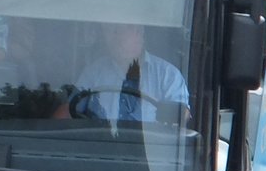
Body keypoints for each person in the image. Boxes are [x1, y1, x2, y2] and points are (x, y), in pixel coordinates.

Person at [55, 22, 188, 122]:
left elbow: (181, 117)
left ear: (139, 33)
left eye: (117, 31)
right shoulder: (94, 72)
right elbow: (68, 110)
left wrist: (176, 114)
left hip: (150, 148)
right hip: (103, 146)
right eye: (108, 32)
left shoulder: (168, 76)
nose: (110, 38)